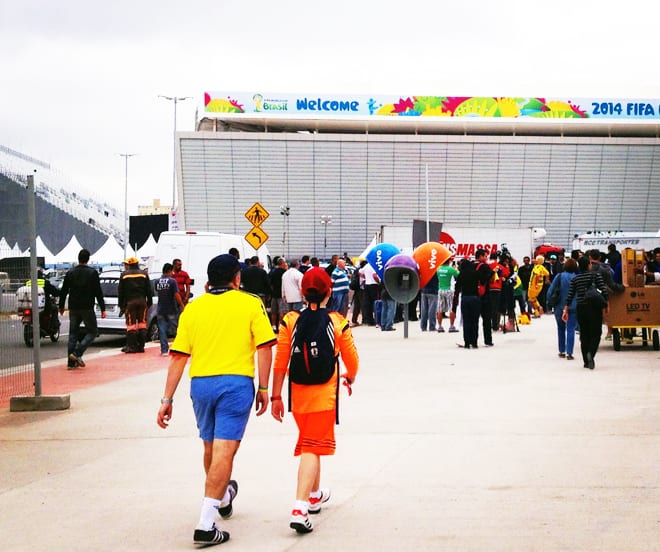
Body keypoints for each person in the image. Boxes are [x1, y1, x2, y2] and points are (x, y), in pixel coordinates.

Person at [157, 254, 276, 546]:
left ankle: (223, 497)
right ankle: (206, 523)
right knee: (225, 451)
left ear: (209, 280)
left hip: (201, 386)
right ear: (237, 278)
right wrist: (263, 388)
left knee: (210, 447)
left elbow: (178, 357)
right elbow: (264, 347)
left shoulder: (194, 309)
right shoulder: (249, 303)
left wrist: (167, 398)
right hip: (235, 385)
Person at [270, 267, 359, 534]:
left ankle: (315, 494)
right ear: (329, 292)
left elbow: (281, 361)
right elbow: (352, 359)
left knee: (312, 442)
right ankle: (299, 508)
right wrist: (350, 377)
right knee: (311, 446)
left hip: (298, 397)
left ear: (301, 291)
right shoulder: (338, 322)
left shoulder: (289, 321)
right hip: (324, 397)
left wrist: (275, 395)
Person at [58, 248, 106, 369]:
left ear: (78, 258)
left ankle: (70, 363)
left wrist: (61, 306)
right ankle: (77, 353)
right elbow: (98, 292)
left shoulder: (70, 272)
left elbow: (64, 291)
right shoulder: (92, 273)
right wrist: (102, 307)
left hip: (73, 307)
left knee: (73, 334)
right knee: (93, 331)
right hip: (87, 307)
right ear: (88, 259)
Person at [563, 256, 608, 369]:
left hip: (581, 308)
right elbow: (604, 289)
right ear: (589, 265)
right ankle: (591, 354)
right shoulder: (596, 275)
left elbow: (570, 295)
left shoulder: (575, 279)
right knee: (596, 333)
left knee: (584, 334)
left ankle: (586, 361)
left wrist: (566, 308)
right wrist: (606, 304)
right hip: (594, 308)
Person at [118, 256, 153, 354]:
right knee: (142, 324)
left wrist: (121, 305)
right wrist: (149, 302)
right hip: (142, 302)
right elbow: (149, 290)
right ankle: (141, 346)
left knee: (131, 325)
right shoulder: (144, 274)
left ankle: (132, 347)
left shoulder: (124, 275)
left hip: (130, 303)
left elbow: (121, 292)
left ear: (129, 265)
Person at [547, 258, 578, 360]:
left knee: (561, 328)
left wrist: (549, 303)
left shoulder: (559, 276)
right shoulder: (576, 278)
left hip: (559, 307)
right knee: (571, 329)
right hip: (573, 306)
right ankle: (569, 352)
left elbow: (550, 291)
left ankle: (561, 350)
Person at [155, 262, 185, 356]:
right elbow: (176, 295)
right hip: (171, 308)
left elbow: (157, 292)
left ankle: (164, 350)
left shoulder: (157, 281)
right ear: (169, 270)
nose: (172, 273)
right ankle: (180, 347)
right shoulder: (172, 281)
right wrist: (182, 305)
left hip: (160, 309)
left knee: (162, 330)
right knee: (176, 328)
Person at [453, 258, 480, 348]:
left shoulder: (461, 274)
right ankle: (475, 342)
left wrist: (455, 302)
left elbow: (457, 289)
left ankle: (467, 342)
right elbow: (483, 281)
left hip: (465, 298)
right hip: (475, 298)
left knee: (466, 321)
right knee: (474, 321)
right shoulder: (476, 273)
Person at [475, 249, 494, 346]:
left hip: (474, 295)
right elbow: (489, 279)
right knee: (486, 319)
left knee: (474, 320)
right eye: (485, 256)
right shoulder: (486, 267)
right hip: (485, 295)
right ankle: (488, 340)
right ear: (481, 257)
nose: (486, 258)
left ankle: (473, 340)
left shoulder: (471, 265)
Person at [436, 258, 459, 333]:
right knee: (451, 308)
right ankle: (451, 326)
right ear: (449, 261)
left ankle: (439, 326)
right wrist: (456, 268)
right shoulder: (450, 269)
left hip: (440, 289)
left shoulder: (438, 269)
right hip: (449, 290)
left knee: (440, 308)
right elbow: (458, 275)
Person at [268, 257, 288, 331]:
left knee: (273, 311)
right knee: (281, 311)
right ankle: (280, 325)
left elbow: (270, 283)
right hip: (281, 295)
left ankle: (273, 326)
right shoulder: (284, 272)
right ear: (282, 263)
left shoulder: (273, 272)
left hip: (274, 295)